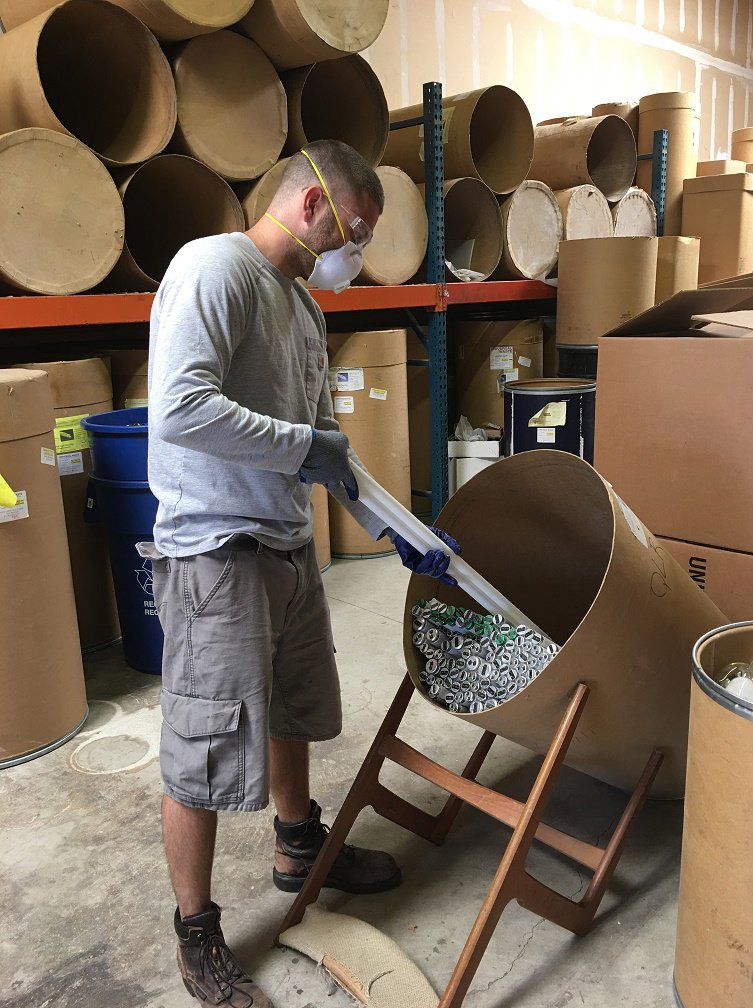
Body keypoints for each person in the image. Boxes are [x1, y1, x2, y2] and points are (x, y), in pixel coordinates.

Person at [142, 139, 460, 1007]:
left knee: (293, 709)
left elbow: (329, 453)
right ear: (313, 205)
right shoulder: (214, 270)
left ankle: (297, 846)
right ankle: (197, 930)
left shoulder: (304, 310)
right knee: (201, 752)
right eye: (355, 231)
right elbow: (178, 409)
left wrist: (395, 527)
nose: (352, 254)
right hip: (214, 554)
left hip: (285, 545)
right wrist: (306, 449)